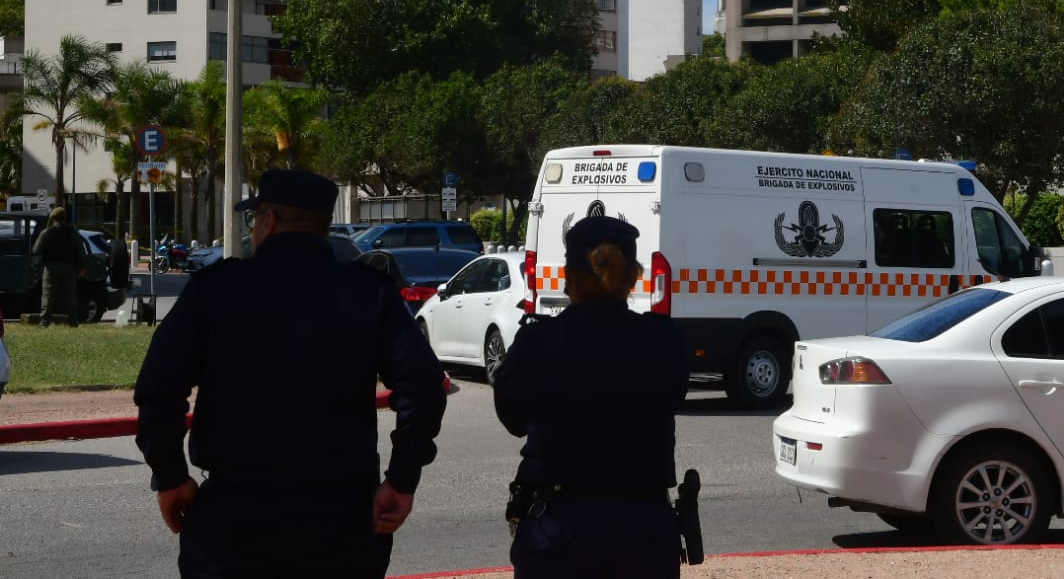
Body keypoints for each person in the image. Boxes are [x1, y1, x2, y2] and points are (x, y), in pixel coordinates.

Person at [134, 169, 447, 579]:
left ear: (269, 220)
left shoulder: (216, 290)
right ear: (322, 227)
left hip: (235, 522)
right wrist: (402, 479)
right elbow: (423, 389)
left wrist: (172, 474)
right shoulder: (368, 292)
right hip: (340, 522)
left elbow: (159, 388)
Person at [494, 216, 690, 578]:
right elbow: (674, 396)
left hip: (559, 535)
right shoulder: (665, 340)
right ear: (633, 276)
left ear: (569, 277)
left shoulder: (538, 342)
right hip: (643, 534)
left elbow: (512, 418)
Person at [32, 207, 86, 326]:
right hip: (68, 267)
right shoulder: (72, 232)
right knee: (70, 296)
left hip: (50, 267)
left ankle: (44, 322)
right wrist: (82, 266)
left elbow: (36, 250)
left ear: (53, 218)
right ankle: (73, 322)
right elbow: (80, 250)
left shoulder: (47, 232)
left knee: (48, 295)